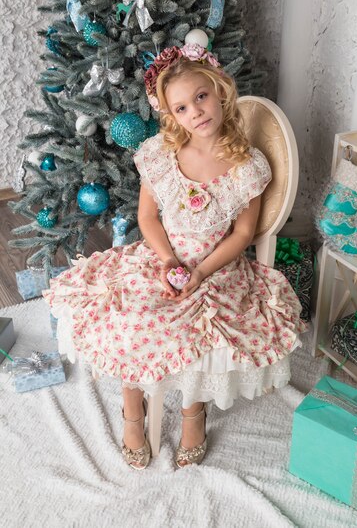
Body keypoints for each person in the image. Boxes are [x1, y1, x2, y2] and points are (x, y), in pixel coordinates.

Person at [43, 43, 306, 471]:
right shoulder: (160, 156)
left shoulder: (247, 165)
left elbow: (243, 232)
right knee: (129, 314)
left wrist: (200, 270)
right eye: (181, 107)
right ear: (171, 115)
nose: (195, 112)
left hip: (216, 268)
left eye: (201, 97)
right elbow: (147, 217)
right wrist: (167, 260)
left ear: (220, 91)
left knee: (199, 332)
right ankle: (132, 409)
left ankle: (192, 412)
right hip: (162, 256)